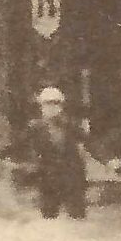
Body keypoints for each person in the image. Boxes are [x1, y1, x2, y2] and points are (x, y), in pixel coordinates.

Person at [15, 85, 106, 221]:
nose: (51, 108)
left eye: (55, 104)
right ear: (41, 107)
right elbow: (18, 144)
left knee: (77, 214)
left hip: (72, 175)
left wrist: (107, 160)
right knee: (49, 215)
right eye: (47, 105)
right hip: (48, 175)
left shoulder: (71, 125)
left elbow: (90, 143)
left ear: (61, 107)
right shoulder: (35, 127)